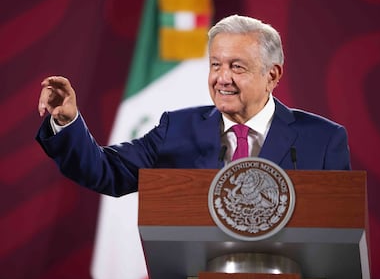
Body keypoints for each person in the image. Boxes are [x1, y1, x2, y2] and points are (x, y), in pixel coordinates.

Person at [36, 15, 351, 197]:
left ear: (272, 74)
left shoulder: (322, 139)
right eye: (216, 65)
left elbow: (341, 233)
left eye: (237, 67)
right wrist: (68, 121)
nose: (222, 79)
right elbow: (107, 172)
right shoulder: (177, 129)